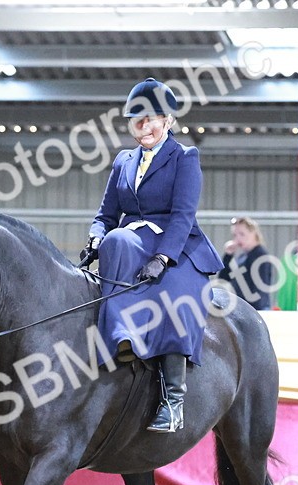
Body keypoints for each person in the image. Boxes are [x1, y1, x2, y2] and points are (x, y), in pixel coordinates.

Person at [81, 77, 223, 434]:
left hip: (177, 245)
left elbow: (183, 216)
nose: (143, 127)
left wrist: (163, 258)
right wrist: (95, 239)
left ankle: (173, 400)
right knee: (115, 240)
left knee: (174, 296)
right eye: (136, 120)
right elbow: (106, 215)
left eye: (150, 120)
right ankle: (120, 341)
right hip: (131, 241)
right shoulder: (123, 161)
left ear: (168, 120)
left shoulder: (184, 157)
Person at [219, 216, 277, 311]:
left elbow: (260, 291)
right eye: (235, 235)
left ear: (253, 233)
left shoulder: (260, 256)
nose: (238, 239)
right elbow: (223, 280)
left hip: (254, 310)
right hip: (243, 309)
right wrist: (228, 256)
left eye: (242, 234)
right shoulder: (243, 257)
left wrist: (256, 312)